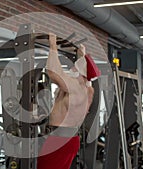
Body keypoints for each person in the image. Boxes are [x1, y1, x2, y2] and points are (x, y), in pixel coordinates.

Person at [37, 33, 100, 169]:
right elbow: (85, 72)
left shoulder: (75, 86)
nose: (71, 69)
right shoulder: (89, 90)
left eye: (74, 67)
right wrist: (82, 55)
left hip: (59, 140)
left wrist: (53, 45)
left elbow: (53, 72)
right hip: (71, 139)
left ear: (79, 72)